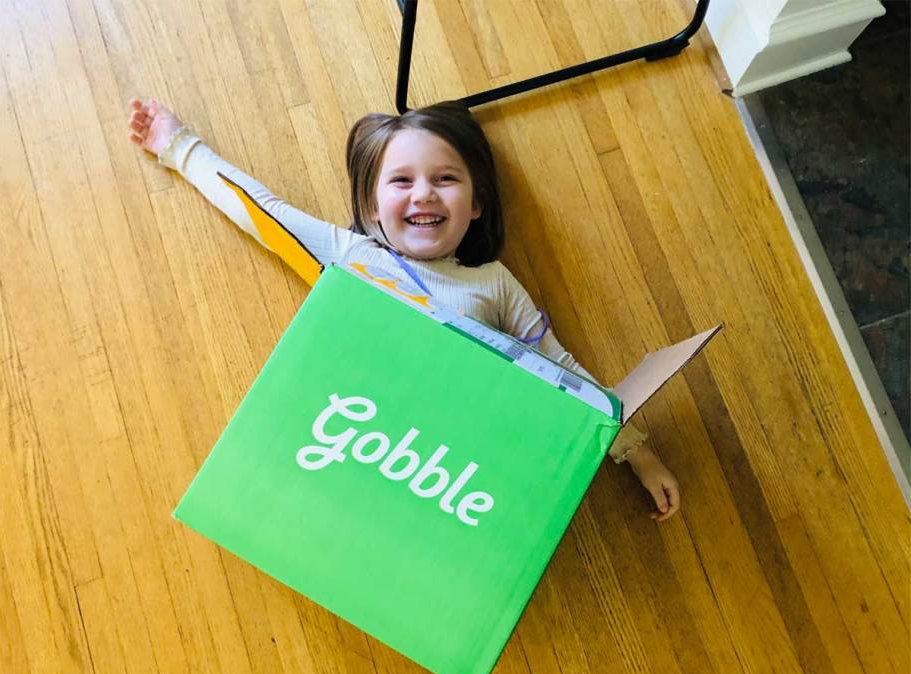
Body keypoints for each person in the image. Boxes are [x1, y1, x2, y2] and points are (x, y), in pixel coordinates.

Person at [127, 97, 681, 521]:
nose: (423, 194)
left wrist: (637, 454)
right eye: (401, 181)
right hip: (363, 441)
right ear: (371, 206)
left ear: (477, 202)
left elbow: (561, 370)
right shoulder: (356, 256)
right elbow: (263, 212)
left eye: (445, 179)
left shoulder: (493, 282)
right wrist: (178, 147)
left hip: (457, 463)